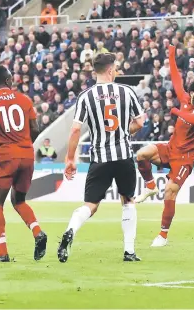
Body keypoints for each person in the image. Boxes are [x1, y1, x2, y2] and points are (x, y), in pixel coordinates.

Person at [58, 53, 145, 263]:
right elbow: (140, 121)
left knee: (91, 204)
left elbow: (75, 130)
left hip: (100, 157)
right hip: (123, 155)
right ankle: (129, 251)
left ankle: (71, 229)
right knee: (128, 200)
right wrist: (124, 131)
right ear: (109, 70)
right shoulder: (126, 91)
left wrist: (70, 159)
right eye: (115, 68)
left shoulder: (86, 96)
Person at [134, 45, 194, 247]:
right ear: (193, 93)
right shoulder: (185, 100)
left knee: (170, 191)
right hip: (170, 149)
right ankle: (150, 186)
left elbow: (193, 121)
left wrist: (177, 113)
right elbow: (177, 79)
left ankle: (162, 235)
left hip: (185, 159)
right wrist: (170, 55)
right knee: (141, 154)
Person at [0, 65, 46, 262]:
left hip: (5, 156)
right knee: (19, 200)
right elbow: (35, 128)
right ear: (8, 81)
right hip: (27, 155)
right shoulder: (24, 100)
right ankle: (37, 231)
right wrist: (24, 146)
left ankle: (2, 253)